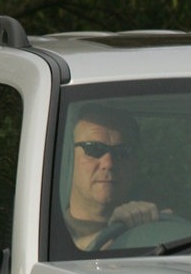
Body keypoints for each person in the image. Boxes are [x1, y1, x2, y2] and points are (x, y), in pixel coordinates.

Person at [61, 106, 164, 251]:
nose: (108, 163)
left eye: (122, 152)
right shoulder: (41, 226)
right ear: (68, 158)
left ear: (135, 162)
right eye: (94, 149)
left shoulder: (158, 224)